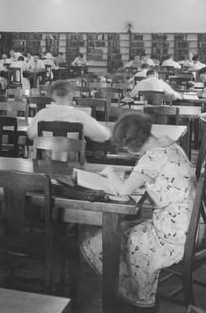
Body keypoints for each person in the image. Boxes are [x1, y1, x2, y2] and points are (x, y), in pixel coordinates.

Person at [80, 112, 195, 310]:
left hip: (172, 237)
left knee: (106, 240)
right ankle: (127, 291)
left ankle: (131, 297)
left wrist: (110, 172)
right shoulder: (170, 145)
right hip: (187, 228)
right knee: (123, 230)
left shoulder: (151, 158)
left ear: (131, 145)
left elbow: (124, 192)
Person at [27, 80, 111, 143]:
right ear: (71, 96)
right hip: (73, 163)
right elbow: (105, 135)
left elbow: (30, 134)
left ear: (53, 95)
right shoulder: (79, 115)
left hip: (44, 163)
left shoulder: (42, 114)